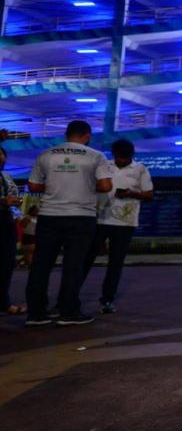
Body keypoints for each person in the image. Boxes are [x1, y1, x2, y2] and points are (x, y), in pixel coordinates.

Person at [24, 121, 113, 326]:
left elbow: (33, 185)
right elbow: (106, 185)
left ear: (66, 134)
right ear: (87, 135)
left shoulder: (46, 155)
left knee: (41, 265)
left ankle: (36, 313)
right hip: (80, 215)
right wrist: (86, 185)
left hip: (49, 215)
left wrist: (57, 186)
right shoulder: (95, 156)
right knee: (73, 265)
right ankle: (68, 311)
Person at [81, 139, 154, 315]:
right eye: (118, 157)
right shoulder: (104, 165)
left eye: (124, 158)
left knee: (115, 263)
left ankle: (107, 300)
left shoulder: (140, 169)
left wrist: (132, 193)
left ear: (131, 156)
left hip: (125, 223)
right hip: (100, 219)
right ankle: (69, 296)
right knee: (85, 259)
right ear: (113, 155)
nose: (121, 161)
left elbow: (149, 194)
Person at [0, 146, 25, 315]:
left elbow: (12, 200)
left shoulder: (7, 177)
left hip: (5, 223)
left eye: (1, 154)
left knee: (6, 266)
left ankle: (4, 303)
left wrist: (18, 213)